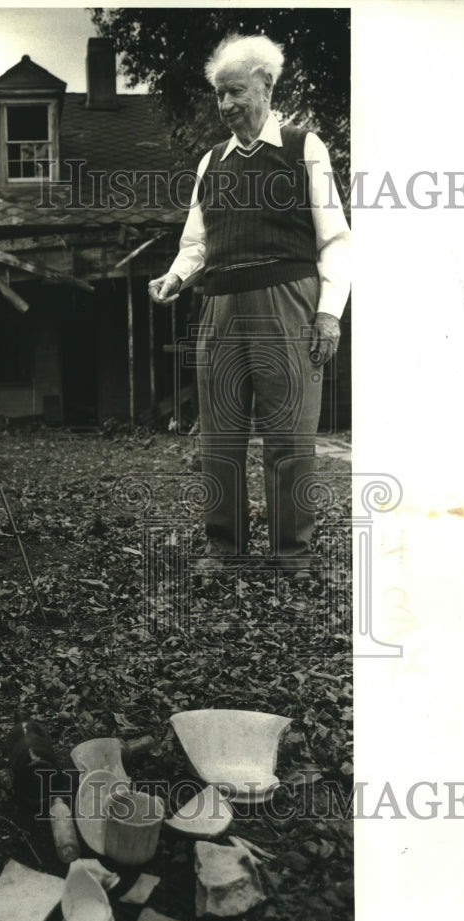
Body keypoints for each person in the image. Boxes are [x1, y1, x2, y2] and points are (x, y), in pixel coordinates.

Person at [149, 34, 350, 578]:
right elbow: (196, 244)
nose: (226, 105)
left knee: (289, 433)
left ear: (265, 84)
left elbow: (334, 239)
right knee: (220, 432)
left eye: (235, 91)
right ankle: (224, 548)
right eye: (219, 95)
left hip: (287, 300)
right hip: (219, 305)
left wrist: (329, 311)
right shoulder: (210, 162)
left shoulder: (303, 147)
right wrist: (174, 277)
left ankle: (292, 554)